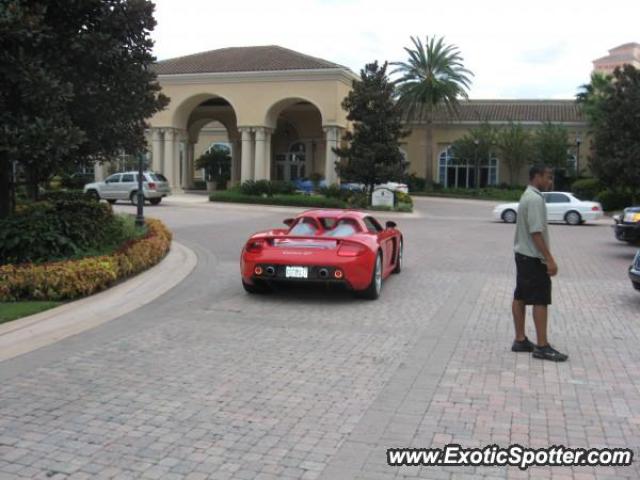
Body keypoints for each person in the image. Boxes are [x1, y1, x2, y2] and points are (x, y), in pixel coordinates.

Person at [511, 165, 568, 362]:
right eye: (548, 177)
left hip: (522, 255)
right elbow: (536, 233)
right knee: (540, 299)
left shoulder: (527, 195)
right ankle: (542, 346)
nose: (550, 181)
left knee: (520, 295)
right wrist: (549, 259)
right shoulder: (534, 199)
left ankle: (520, 340)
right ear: (537, 177)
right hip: (533, 257)